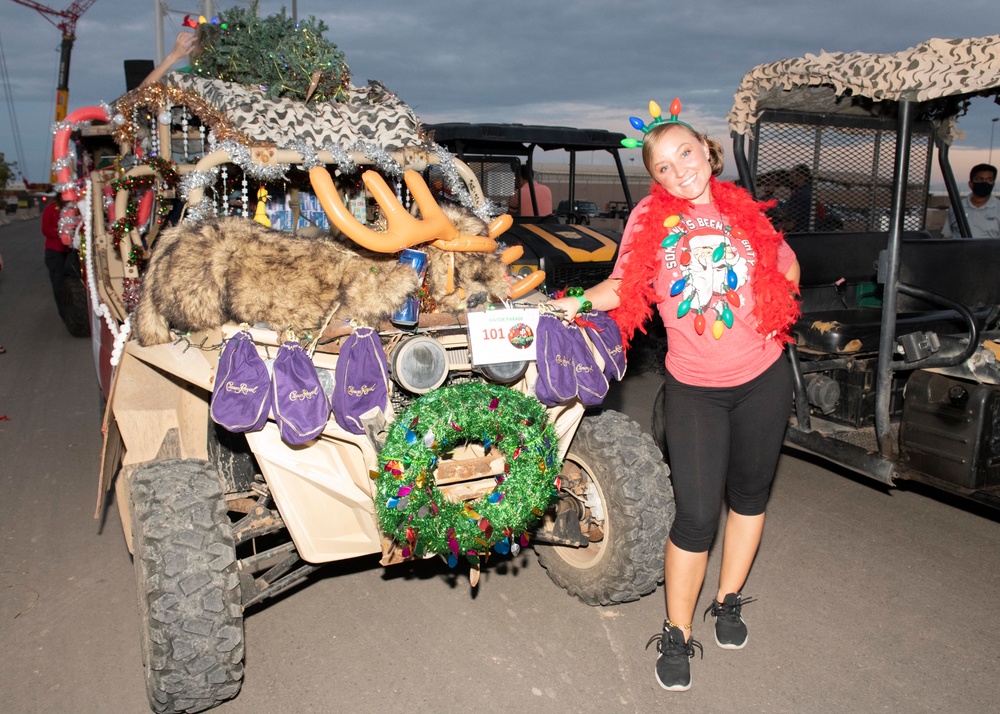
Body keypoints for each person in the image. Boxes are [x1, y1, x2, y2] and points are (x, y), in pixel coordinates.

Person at [546, 107, 800, 692]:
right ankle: (677, 631)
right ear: (655, 178)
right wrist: (571, 306)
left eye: (685, 153)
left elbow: (784, 260)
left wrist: (782, 288)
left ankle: (729, 600)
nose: (678, 169)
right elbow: (622, 286)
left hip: (764, 377)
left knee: (751, 496)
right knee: (695, 515)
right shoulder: (647, 220)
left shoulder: (740, 207)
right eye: (662, 165)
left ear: (707, 151)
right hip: (695, 389)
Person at [941, 163, 1000, 238]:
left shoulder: (998, 208)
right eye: (979, 179)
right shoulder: (956, 207)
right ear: (971, 184)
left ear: (993, 184)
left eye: (989, 180)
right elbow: (946, 236)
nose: (984, 183)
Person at [42, 196, 70, 305]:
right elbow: (45, 230)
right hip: (55, 251)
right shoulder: (51, 209)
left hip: (69, 251)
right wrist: (61, 232)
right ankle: (64, 311)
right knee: (59, 284)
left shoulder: (72, 209)